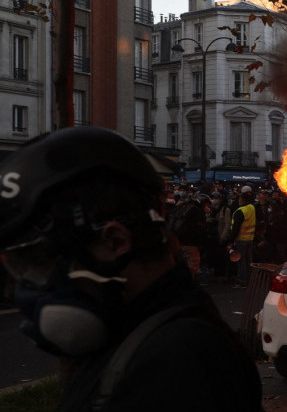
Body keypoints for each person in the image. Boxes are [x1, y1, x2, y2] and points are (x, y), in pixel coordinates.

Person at [0, 126, 262, 411]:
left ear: (115, 240)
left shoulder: (174, 363)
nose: (23, 286)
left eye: (38, 261)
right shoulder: (139, 333)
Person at [226, 186, 258, 287]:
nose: (239, 200)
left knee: (241, 262)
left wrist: (231, 241)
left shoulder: (240, 211)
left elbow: (235, 228)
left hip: (240, 240)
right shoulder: (252, 208)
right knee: (248, 261)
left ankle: (242, 281)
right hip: (250, 239)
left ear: (244, 200)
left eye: (240, 199)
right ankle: (249, 281)